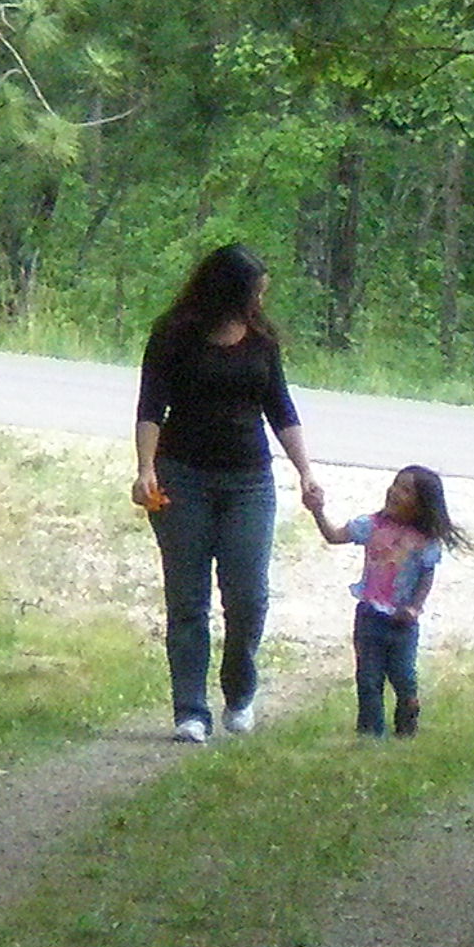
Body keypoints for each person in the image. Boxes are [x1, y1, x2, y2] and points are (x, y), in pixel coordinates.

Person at [133, 243, 323, 743]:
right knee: (188, 600)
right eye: (256, 290)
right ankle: (190, 710)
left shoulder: (262, 340)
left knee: (247, 596)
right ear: (229, 290)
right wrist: (145, 468)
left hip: (249, 481)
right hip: (182, 477)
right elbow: (151, 405)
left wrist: (306, 472)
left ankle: (240, 691)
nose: (261, 299)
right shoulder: (173, 335)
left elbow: (280, 407)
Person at [306, 465, 468, 737]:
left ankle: (408, 715)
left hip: (402, 622)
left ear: (422, 504)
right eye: (395, 484)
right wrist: (318, 510)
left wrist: (415, 607)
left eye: (405, 489)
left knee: (403, 675)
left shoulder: (425, 541)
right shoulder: (371, 525)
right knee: (368, 678)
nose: (394, 491)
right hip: (370, 615)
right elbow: (334, 536)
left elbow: (426, 576)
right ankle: (371, 733)